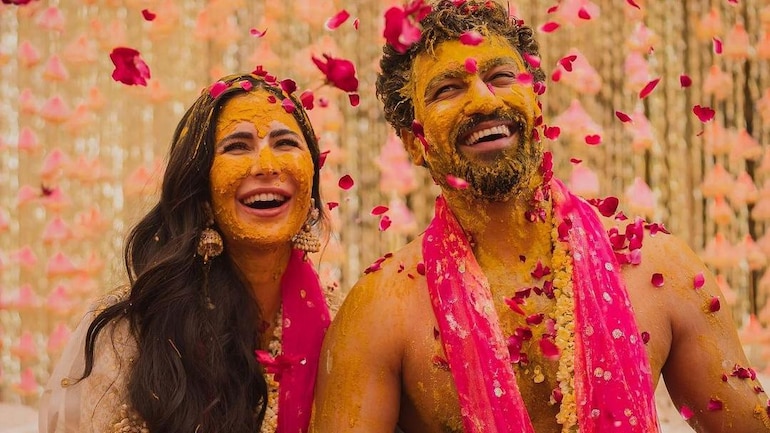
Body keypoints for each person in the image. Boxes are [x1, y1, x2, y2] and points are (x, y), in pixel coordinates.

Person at [310, 1, 770, 432]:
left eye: (502, 76)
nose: (485, 101)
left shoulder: (660, 267)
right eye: (447, 89)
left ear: (538, 102)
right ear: (414, 142)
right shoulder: (379, 310)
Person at [39, 72, 332, 433]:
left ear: (312, 185)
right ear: (202, 189)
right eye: (237, 146)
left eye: (285, 142)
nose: (266, 165)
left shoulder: (343, 328)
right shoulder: (130, 335)